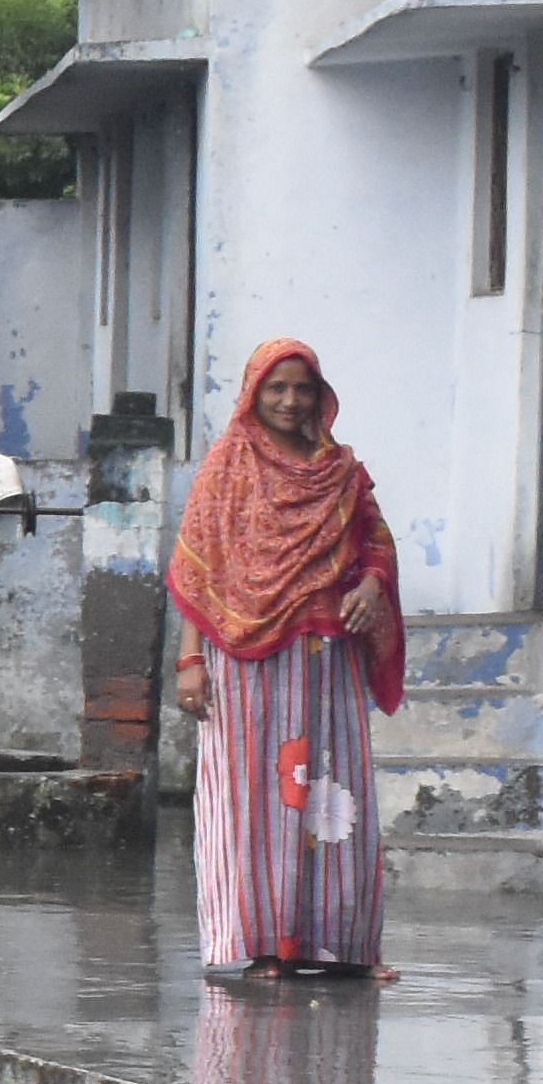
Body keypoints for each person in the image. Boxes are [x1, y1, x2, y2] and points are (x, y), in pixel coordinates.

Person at [166, 337, 404, 981]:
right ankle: (266, 946)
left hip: (329, 659)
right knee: (255, 803)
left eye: (301, 387)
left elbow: (377, 544)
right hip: (246, 660)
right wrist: (189, 662)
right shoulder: (228, 465)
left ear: (319, 394)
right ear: (253, 393)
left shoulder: (343, 472)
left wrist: (371, 585)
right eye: (276, 388)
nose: (290, 400)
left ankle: (345, 948)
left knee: (335, 799)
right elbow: (197, 569)